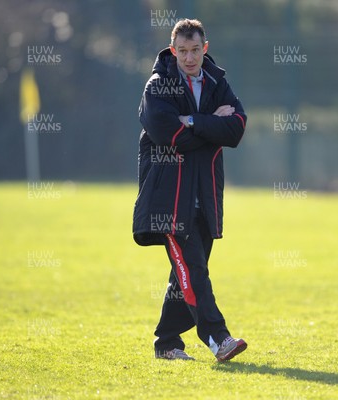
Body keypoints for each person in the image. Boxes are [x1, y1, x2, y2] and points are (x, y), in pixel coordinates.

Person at [133, 19, 247, 362]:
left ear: (205, 49)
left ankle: (166, 342)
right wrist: (213, 123)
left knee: (186, 273)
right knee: (193, 270)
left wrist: (195, 120)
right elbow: (169, 135)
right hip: (168, 199)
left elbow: (237, 128)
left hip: (206, 196)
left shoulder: (217, 82)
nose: (189, 57)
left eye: (195, 50)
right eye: (182, 51)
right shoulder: (157, 87)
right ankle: (219, 339)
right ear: (173, 50)